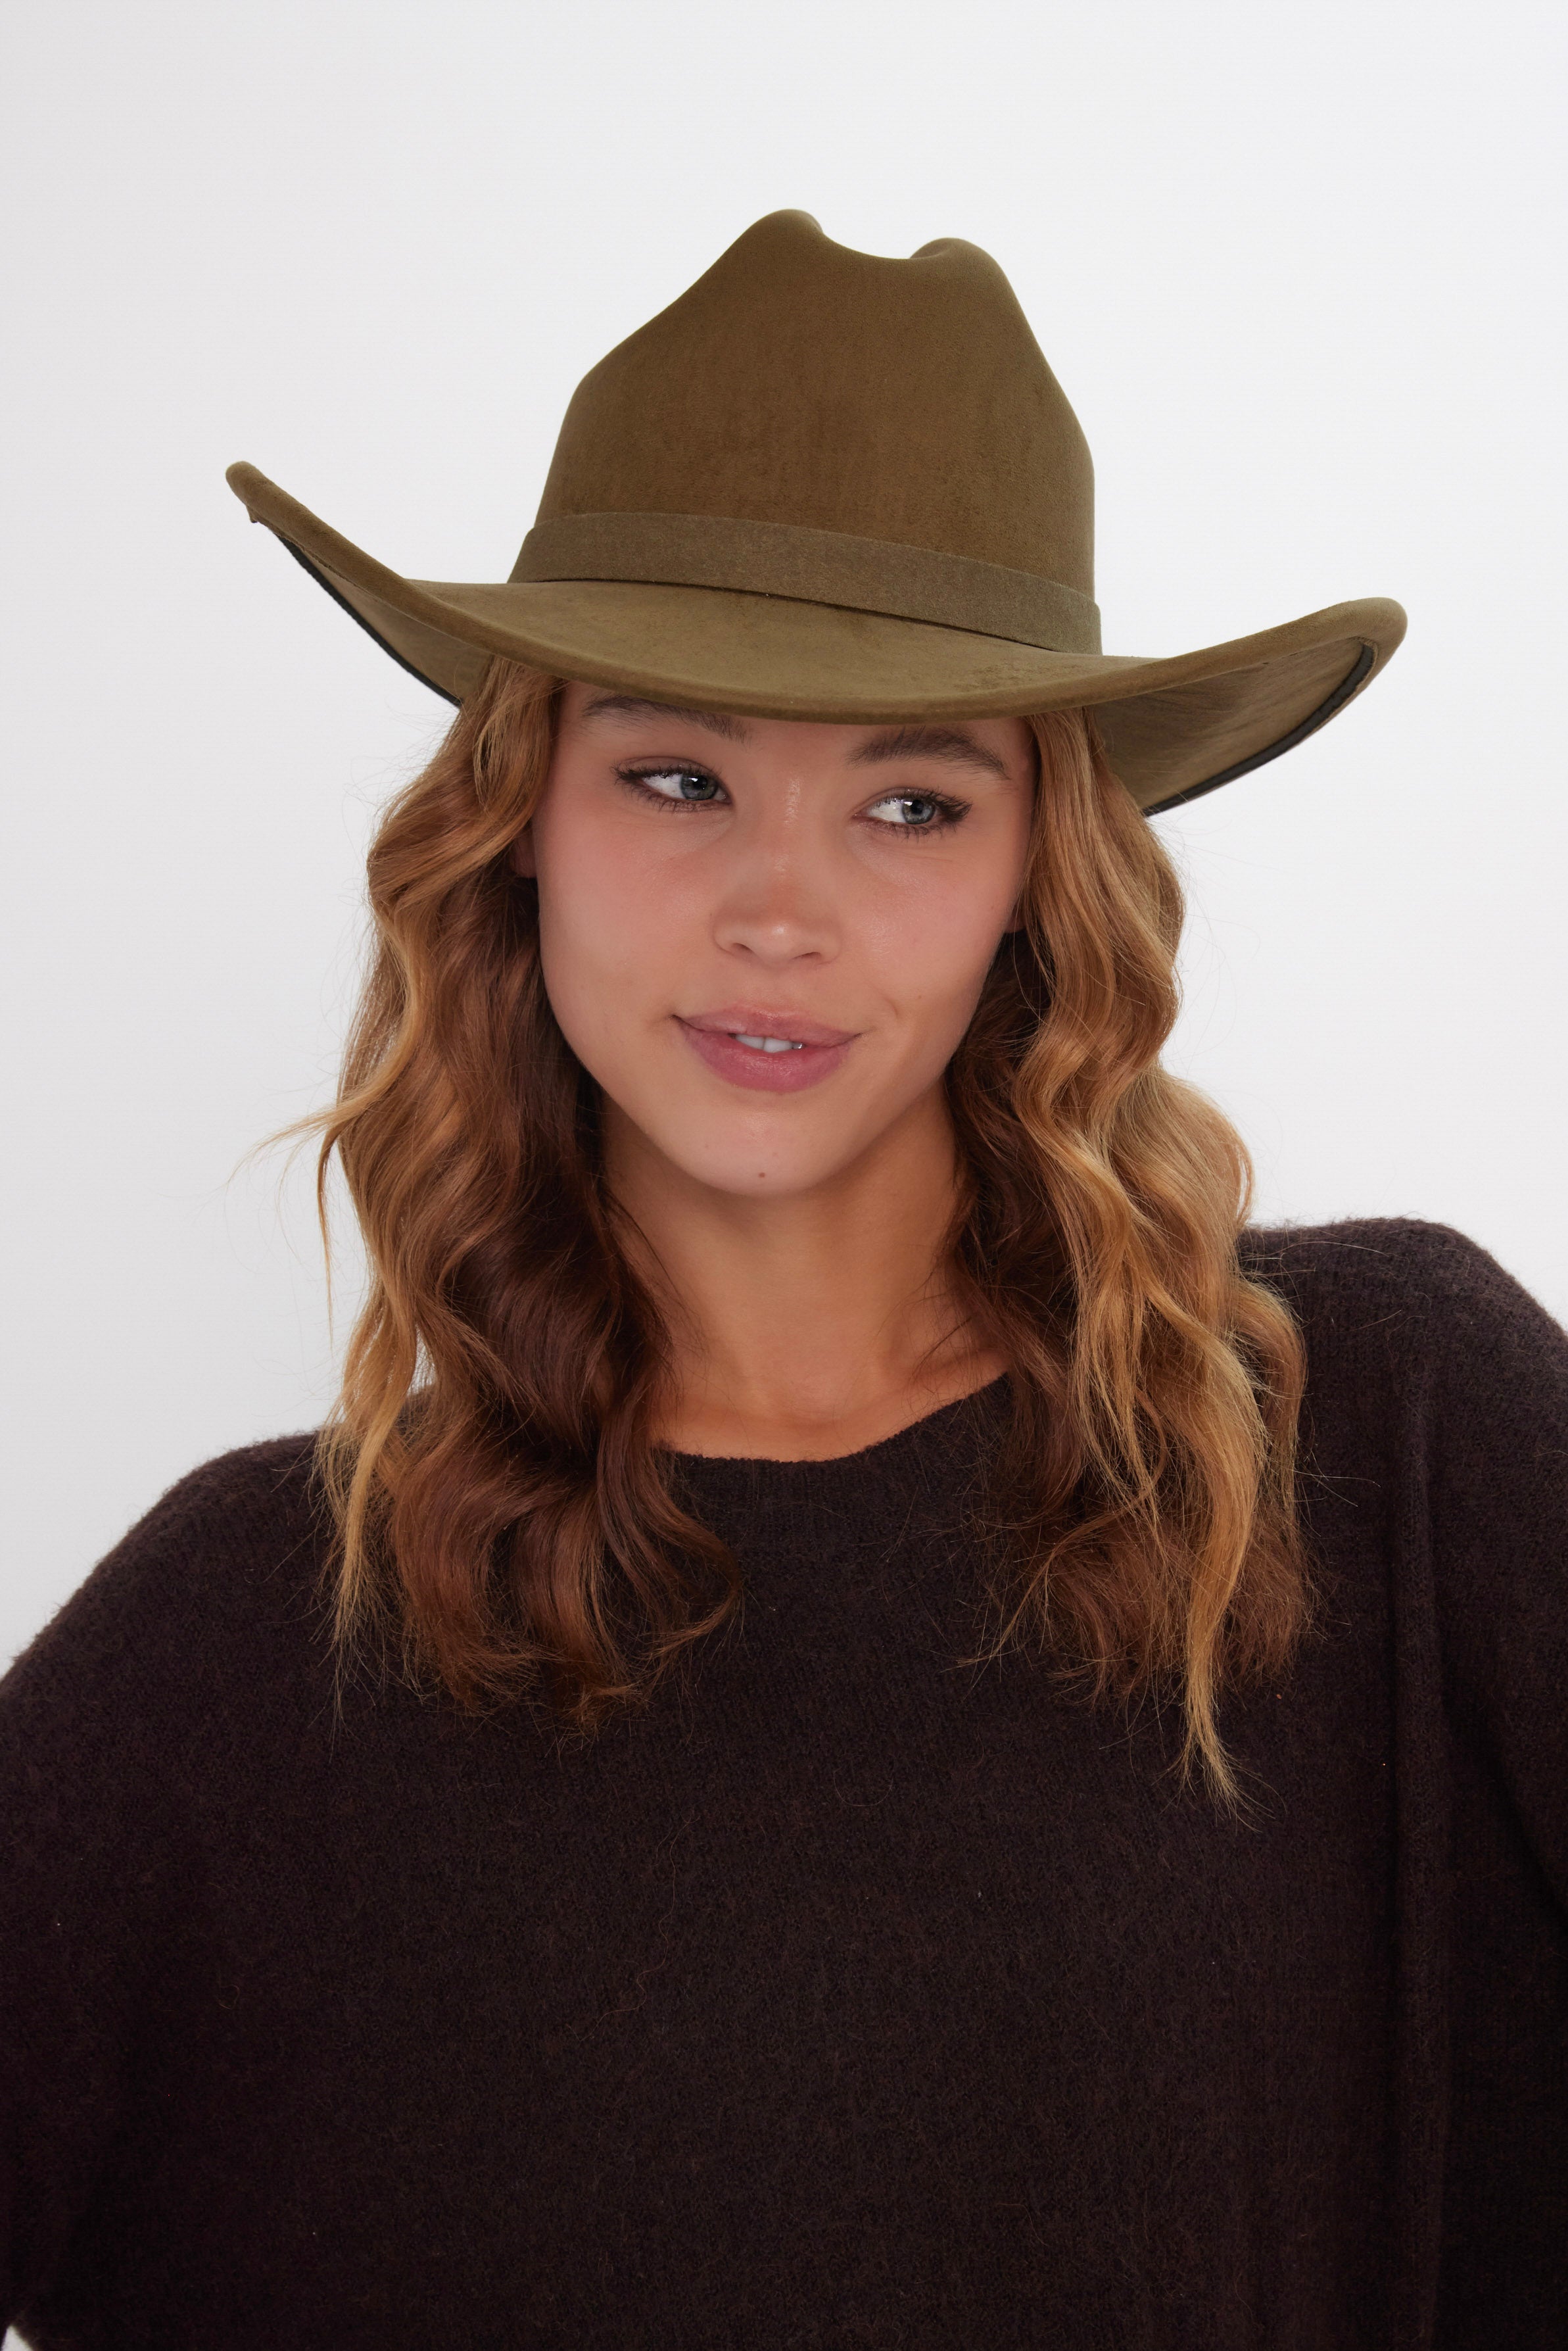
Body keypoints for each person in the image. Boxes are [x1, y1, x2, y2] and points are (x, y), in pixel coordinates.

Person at [2, 212, 1562, 2350]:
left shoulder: (1377, 1424)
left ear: (1039, 880)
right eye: (676, 777)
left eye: (912, 803)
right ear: (516, 818)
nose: (777, 910)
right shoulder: (252, 1629)